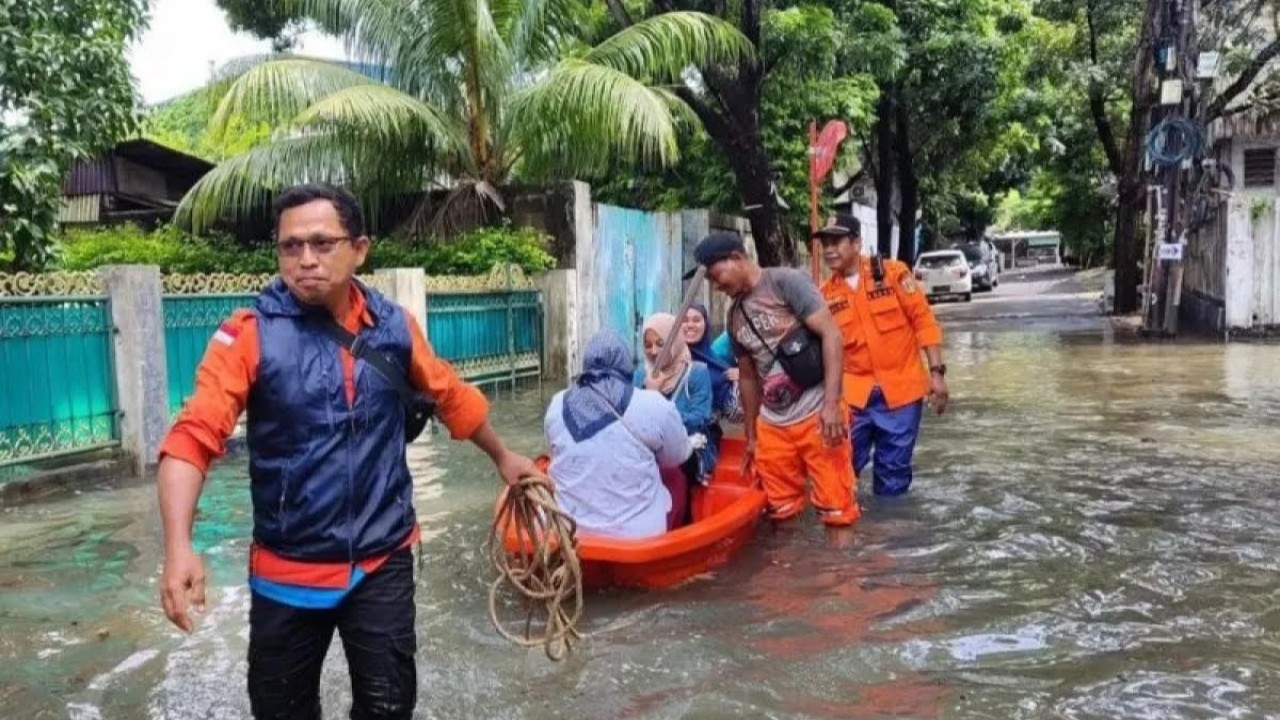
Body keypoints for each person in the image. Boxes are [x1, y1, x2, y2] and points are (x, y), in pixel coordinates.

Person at [155, 182, 536, 720]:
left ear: (359, 248)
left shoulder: (394, 329)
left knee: (388, 708)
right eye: (290, 247)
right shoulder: (249, 335)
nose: (305, 260)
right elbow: (192, 440)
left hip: (382, 561)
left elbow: (451, 396)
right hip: (287, 572)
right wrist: (178, 547)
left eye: (322, 243)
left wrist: (504, 457)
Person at [690, 231, 860, 527]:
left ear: (737, 258)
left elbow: (832, 334)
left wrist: (832, 405)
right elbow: (747, 377)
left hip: (816, 412)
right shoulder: (734, 316)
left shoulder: (785, 283)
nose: (716, 286)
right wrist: (752, 437)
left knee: (837, 511)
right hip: (773, 424)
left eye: (716, 276)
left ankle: (841, 571)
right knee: (780, 512)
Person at [815, 213, 949, 496]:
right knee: (840, 469)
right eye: (825, 242)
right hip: (853, 398)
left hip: (901, 393)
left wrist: (936, 374)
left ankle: (890, 535)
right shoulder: (823, 296)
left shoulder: (894, 274)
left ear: (856, 243)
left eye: (836, 241)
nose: (828, 249)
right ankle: (844, 531)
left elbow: (924, 321)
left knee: (894, 476)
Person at [544, 330, 694, 538]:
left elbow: (555, 450)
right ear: (626, 365)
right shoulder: (653, 403)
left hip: (567, 531)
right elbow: (677, 456)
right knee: (676, 476)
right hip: (635, 536)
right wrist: (654, 394)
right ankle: (674, 543)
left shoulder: (556, 403)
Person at [635, 312, 715, 524]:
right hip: (648, 442)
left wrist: (656, 397)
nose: (653, 352)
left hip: (690, 441)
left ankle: (683, 521)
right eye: (648, 345)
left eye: (660, 344)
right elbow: (629, 417)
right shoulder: (640, 375)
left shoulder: (696, 373)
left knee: (675, 468)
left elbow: (700, 418)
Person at [682, 302, 742, 424]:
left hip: (704, 437)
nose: (690, 325)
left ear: (706, 325)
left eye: (696, 320)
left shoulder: (718, 366)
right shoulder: (665, 362)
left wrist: (744, 380)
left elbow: (736, 415)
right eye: (684, 320)